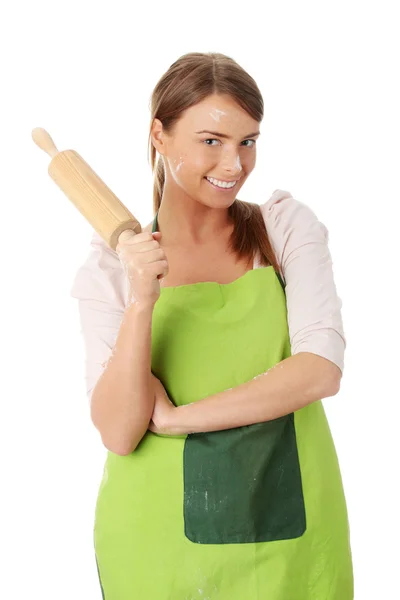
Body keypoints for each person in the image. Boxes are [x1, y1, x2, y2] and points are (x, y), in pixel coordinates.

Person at [70, 52, 354, 599]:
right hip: (156, 540)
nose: (234, 165)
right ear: (160, 135)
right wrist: (141, 302)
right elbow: (119, 429)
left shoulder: (284, 229)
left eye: (248, 141)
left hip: (290, 530)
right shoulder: (110, 269)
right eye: (211, 141)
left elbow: (320, 370)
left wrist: (181, 420)